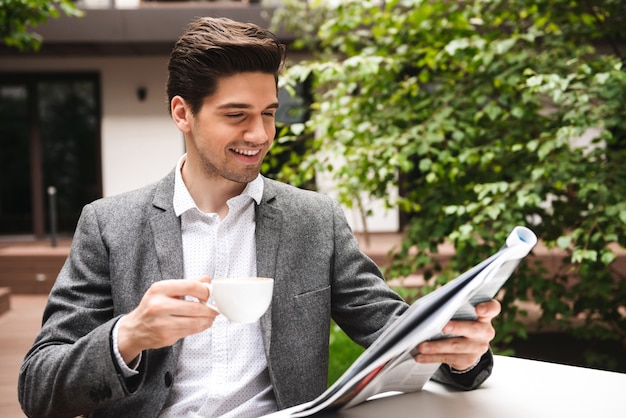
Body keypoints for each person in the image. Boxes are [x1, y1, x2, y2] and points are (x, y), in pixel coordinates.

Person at [18, 16, 501, 418]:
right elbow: (38, 387)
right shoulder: (108, 224)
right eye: (236, 115)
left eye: (268, 113)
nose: (260, 133)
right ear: (182, 113)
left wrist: (462, 353)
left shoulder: (314, 220)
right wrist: (129, 335)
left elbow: (397, 332)